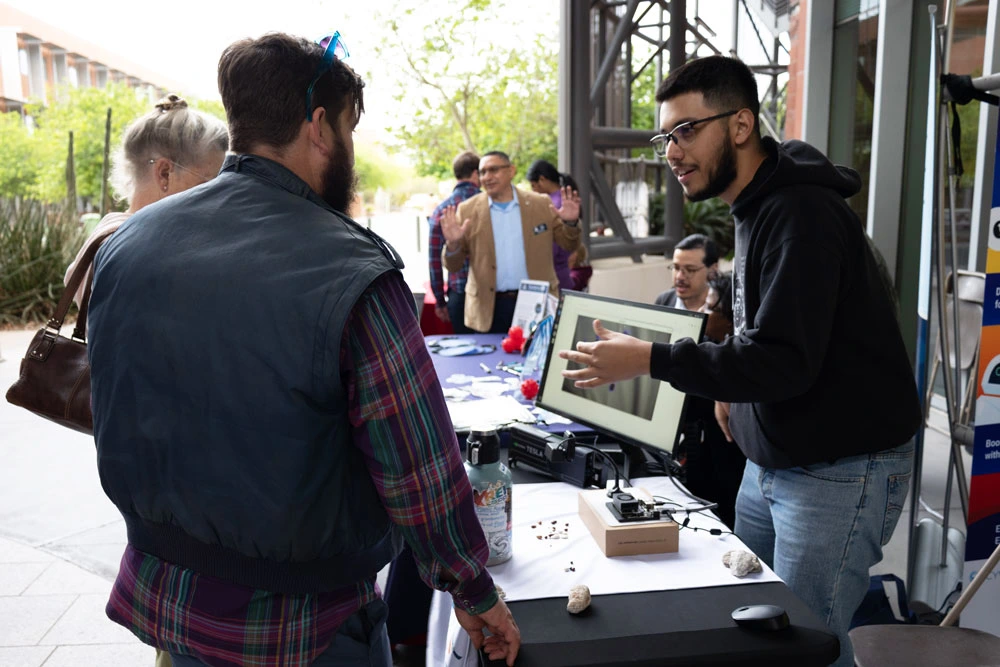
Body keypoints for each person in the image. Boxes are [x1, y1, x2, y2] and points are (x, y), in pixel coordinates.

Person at [87, 32, 519, 667]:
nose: (350, 146)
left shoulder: (128, 244)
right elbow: (417, 467)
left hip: (168, 607)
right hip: (302, 628)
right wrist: (472, 587)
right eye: (348, 126)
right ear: (320, 127)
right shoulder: (350, 268)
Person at [558, 55, 920, 667]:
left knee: (810, 644)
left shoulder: (800, 212)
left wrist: (649, 357)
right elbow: (766, 327)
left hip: (840, 468)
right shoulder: (755, 204)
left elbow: (782, 359)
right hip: (773, 457)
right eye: (664, 137)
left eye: (686, 131)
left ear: (742, 125)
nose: (671, 152)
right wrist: (731, 388)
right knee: (754, 628)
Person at [65, 95, 228, 306]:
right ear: (164, 173)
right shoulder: (145, 246)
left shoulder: (107, 233)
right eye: (210, 181)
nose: (219, 194)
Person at [654, 234, 746, 528]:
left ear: (712, 270)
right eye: (675, 267)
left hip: (714, 440)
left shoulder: (730, 315)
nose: (679, 277)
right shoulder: (663, 302)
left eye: (690, 270)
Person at [441, 151, 582, 333]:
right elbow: (453, 266)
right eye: (483, 172)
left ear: (511, 171)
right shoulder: (467, 210)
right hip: (489, 308)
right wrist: (453, 244)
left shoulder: (540, 204)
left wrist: (570, 223)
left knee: (536, 360)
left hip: (536, 303)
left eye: (493, 170)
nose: (487, 177)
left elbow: (569, 244)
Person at [428, 151, 480, 333]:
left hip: (459, 294)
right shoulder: (489, 206)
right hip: (491, 296)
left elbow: (434, 260)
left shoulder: (441, 210)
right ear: (476, 173)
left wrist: (440, 301)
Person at [527, 158, 581, 291]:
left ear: (542, 180)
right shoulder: (564, 200)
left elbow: (553, 245)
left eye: (534, 186)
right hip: (564, 272)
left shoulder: (551, 204)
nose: (534, 191)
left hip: (553, 273)